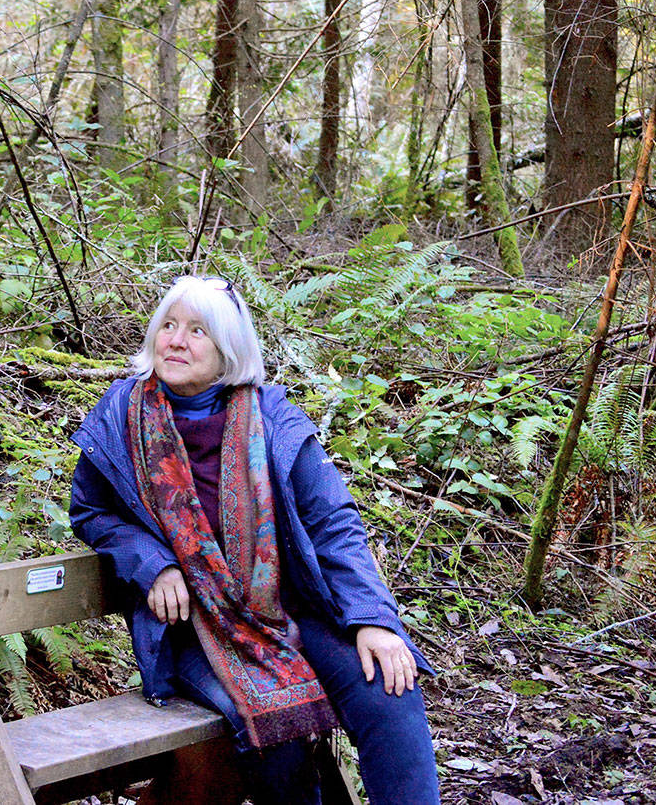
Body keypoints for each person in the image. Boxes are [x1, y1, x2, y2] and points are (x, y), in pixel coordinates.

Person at [69, 276, 440, 805]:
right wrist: (152, 562)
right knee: (275, 723)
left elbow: (334, 524)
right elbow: (91, 510)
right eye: (168, 326)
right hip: (199, 627)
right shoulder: (120, 418)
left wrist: (374, 621)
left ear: (228, 352)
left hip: (292, 610)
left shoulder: (271, 417)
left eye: (198, 331)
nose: (175, 340)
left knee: (388, 688)